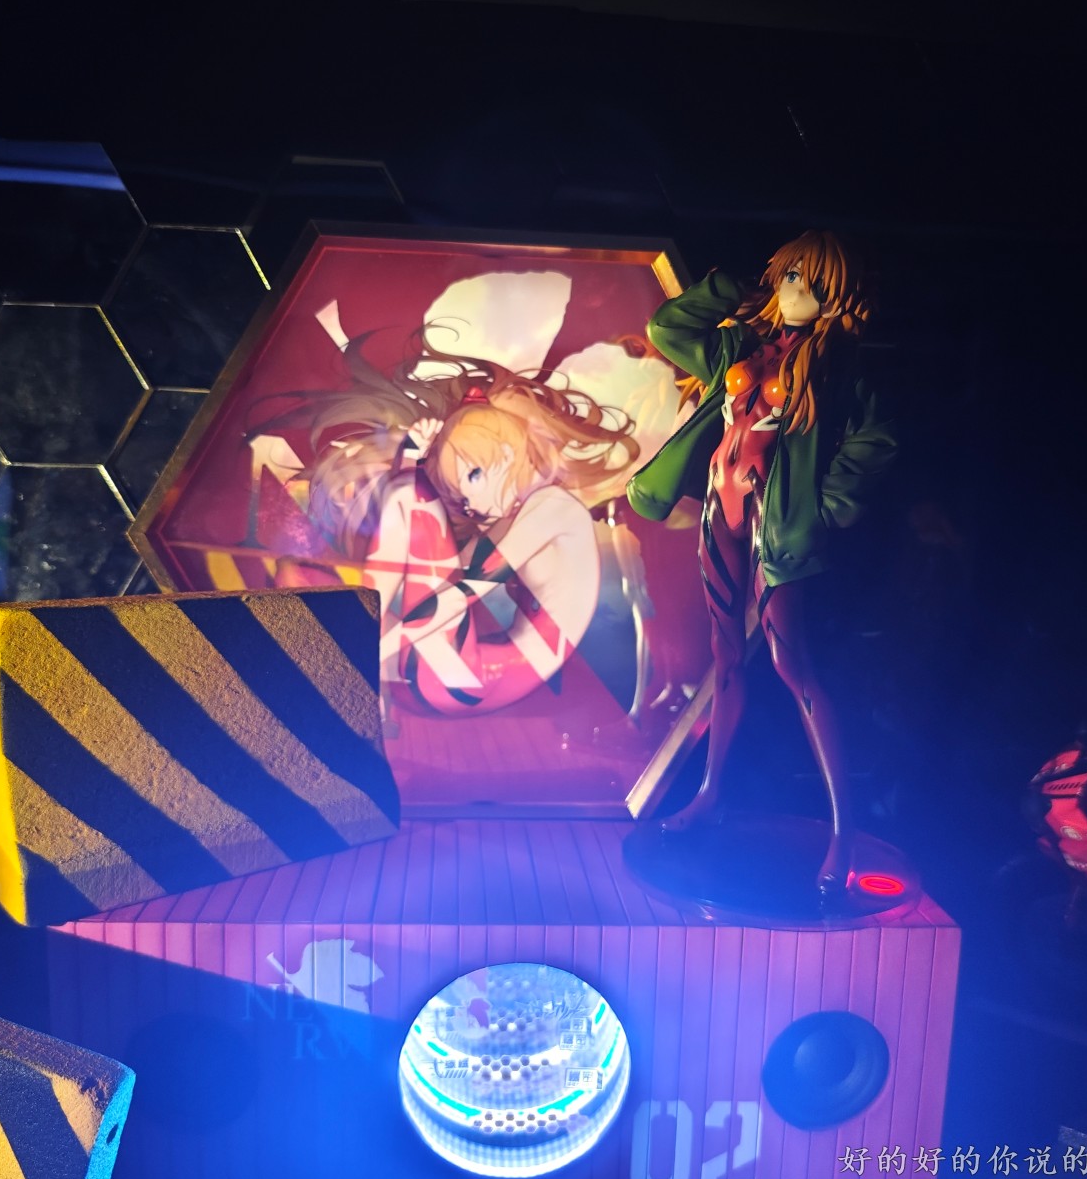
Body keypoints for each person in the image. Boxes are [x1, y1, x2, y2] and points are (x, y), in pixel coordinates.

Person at [625, 231, 898, 897]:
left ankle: (844, 834)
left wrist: (827, 507)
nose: (795, 290)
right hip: (722, 511)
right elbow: (667, 328)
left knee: (793, 668)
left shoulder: (837, 370)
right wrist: (728, 289)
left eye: (812, 283)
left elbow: (877, 437)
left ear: (836, 298)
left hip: (778, 525)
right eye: (790, 275)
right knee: (725, 658)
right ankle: (709, 795)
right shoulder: (740, 348)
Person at [250, 334, 639, 715]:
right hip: (447, 675)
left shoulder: (552, 509)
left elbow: (457, 594)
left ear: (505, 453)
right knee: (305, 573)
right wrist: (410, 461)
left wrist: (377, 652)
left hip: (467, 680)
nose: (475, 507)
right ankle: (364, 635)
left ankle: (365, 640)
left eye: (473, 477)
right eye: (465, 502)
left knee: (409, 496)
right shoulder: (522, 516)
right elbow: (423, 556)